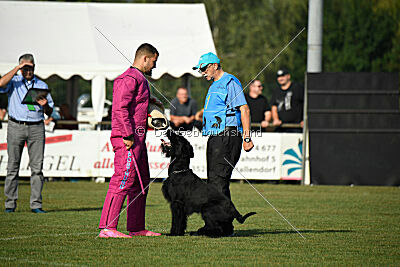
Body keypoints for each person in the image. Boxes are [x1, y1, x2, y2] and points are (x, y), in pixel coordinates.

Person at [98, 43, 161, 238]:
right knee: (122, 180)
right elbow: (119, 108)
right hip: (128, 139)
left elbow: (134, 105)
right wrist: (127, 134)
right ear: (144, 58)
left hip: (139, 139)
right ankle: (107, 228)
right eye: (154, 62)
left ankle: (136, 227)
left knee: (141, 183)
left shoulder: (140, 79)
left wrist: (151, 104)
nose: (155, 66)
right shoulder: (129, 78)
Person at [193, 52, 254, 200]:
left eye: (204, 68)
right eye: (200, 70)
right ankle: (222, 222)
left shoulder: (229, 82)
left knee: (218, 180)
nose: (202, 72)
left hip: (228, 136)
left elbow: (244, 109)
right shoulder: (214, 85)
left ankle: (219, 222)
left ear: (215, 65)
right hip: (216, 136)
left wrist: (247, 138)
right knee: (214, 181)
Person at [0, 53, 54, 213]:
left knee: (37, 168)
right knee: (12, 167)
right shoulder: (14, 82)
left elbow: (50, 111)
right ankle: (10, 204)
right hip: (16, 125)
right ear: (20, 68)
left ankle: (36, 204)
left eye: (31, 67)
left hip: (36, 127)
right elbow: (1, 84)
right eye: (25, 67)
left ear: (35, 67)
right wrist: (17, 69)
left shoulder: (42, 85)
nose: (28, 70)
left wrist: (45, 106)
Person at [271, 68, 304, 133]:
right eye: (278, 77)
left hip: (296, 126)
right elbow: (274, 106)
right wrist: (275, 119)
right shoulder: (276, 91)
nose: (280, 78)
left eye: (283, 76)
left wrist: (304, 119)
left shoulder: (297, 87)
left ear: (288, 76)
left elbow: (306, 104)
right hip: (281, 126)